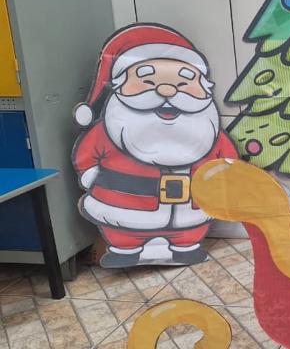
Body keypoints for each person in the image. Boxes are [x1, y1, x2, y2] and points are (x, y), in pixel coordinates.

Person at [73, 23, 238, 267]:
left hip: (191, 206)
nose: (167, 89)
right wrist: (90, 174)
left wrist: (228, 177)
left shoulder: (207, 127)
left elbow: (227, 157)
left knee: (189, 228)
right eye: (148, 80)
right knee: (124, 228)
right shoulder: (111, 127)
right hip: (123, 203)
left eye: (184, 81)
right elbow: (87, 155)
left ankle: (186, 246)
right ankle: (126, 249)